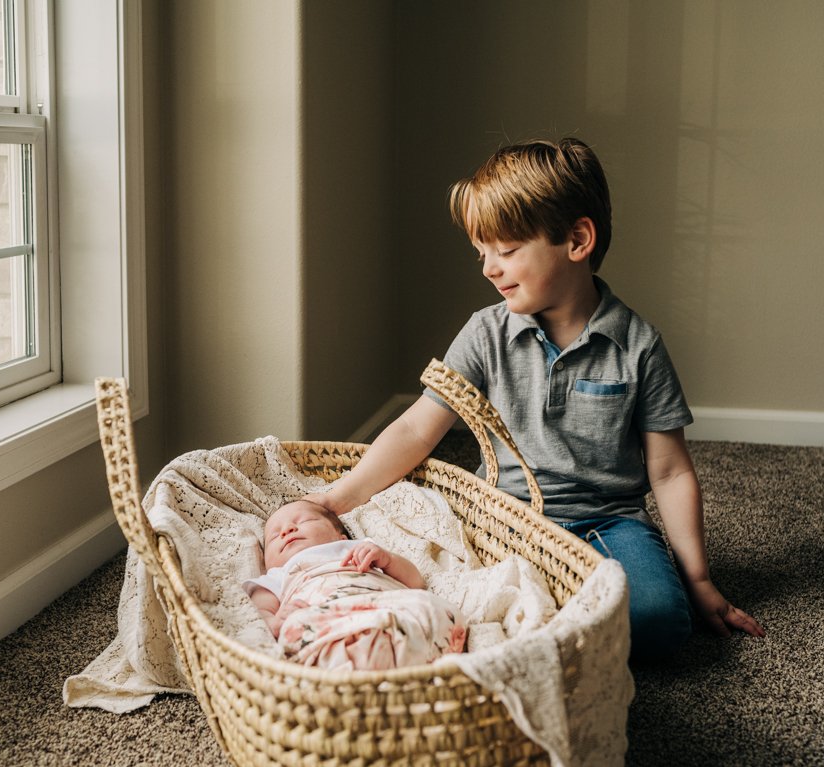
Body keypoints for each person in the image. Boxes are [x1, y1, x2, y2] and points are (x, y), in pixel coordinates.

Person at [305, 137, 765, 661]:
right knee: (425, 598)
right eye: (482, 253)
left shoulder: (639, 346)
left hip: (607, 522)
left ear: (576, 239)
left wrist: (699, 578)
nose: (488, 269)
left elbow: (669, 472)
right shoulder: (485, 334)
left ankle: (552, 620)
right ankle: (552, 621)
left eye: (506, 251)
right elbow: (415, 429)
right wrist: (335, 498)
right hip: (501, 519)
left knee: (660, 622)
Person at [245, 499, 466, 669]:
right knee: (295, 629)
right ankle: (363, 668)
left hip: (385, 605)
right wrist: (275, 622)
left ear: (341, 537)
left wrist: (387, 560)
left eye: (304, 521)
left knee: (435, 607)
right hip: (326, 621)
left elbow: (415, 582)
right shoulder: (277, 575)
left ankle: (397, 661)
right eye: (275, 536)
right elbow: (259, 610)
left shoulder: (360, 547)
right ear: (267, 561)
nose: (287, 531)